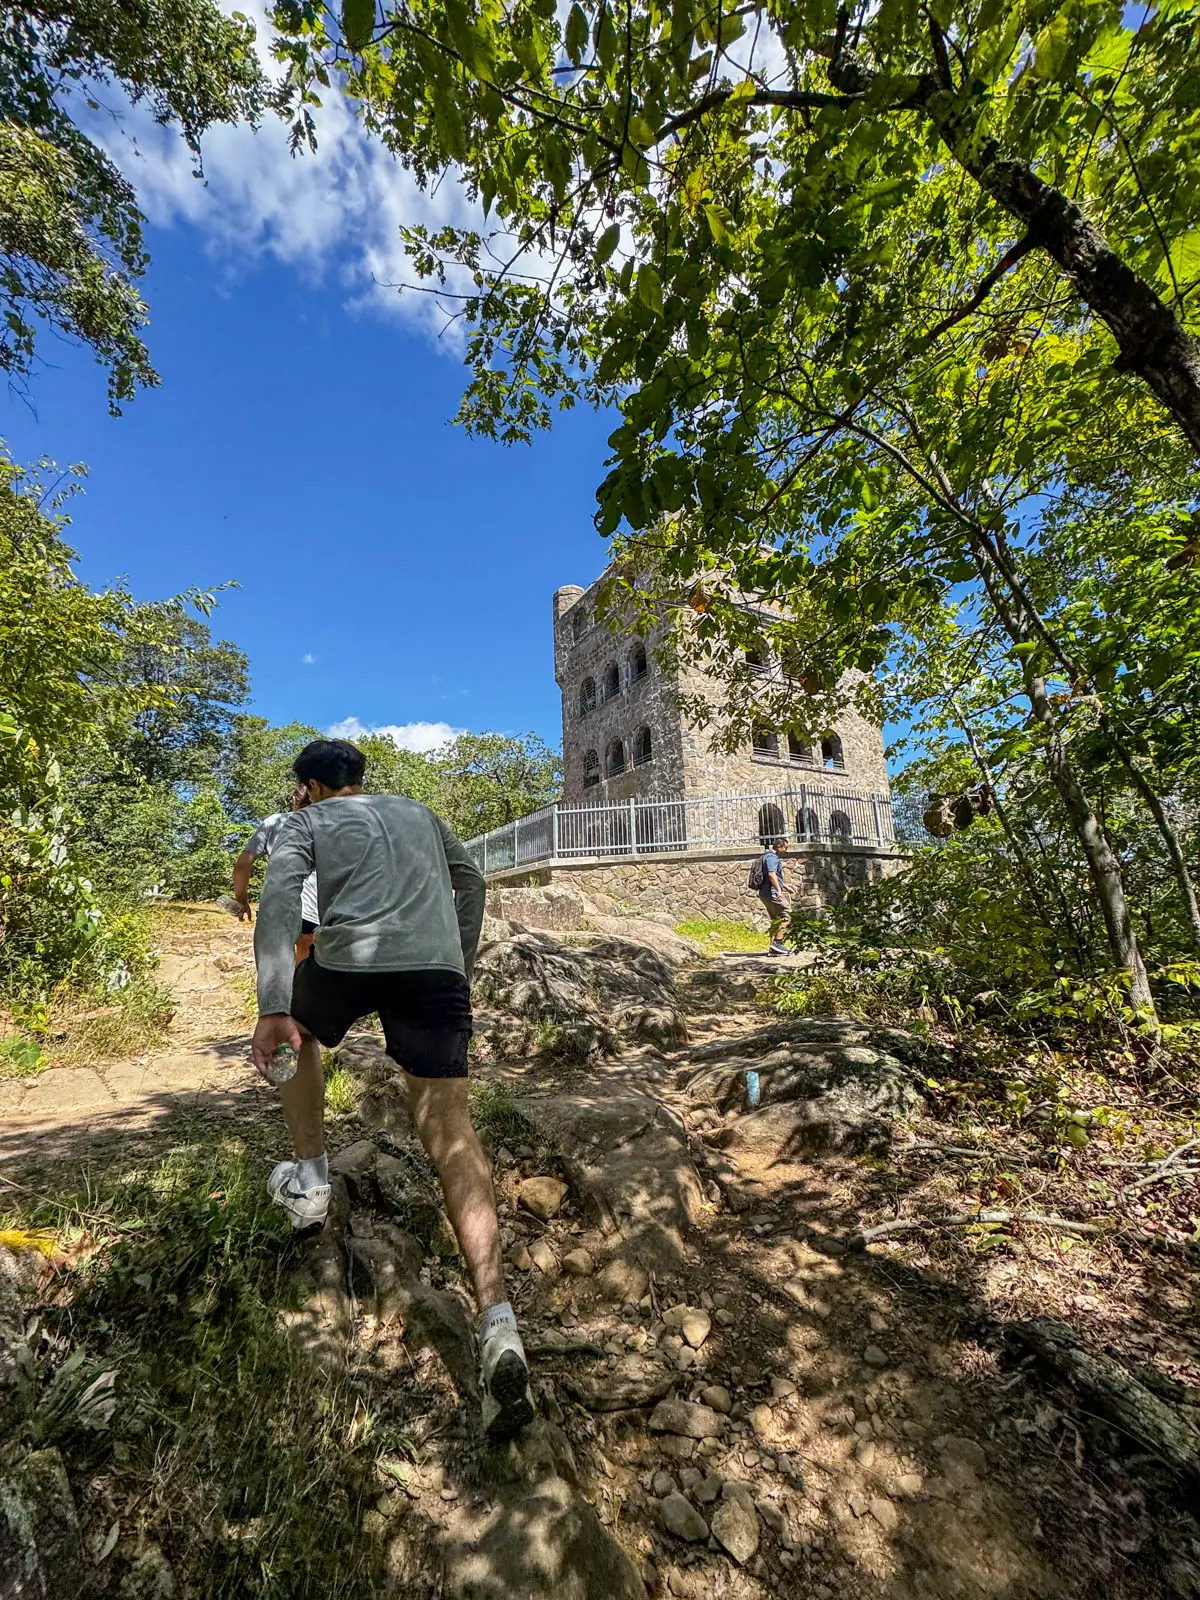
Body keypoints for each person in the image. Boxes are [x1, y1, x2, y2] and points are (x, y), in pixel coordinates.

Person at [249, 738, 533, 1441]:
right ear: (362, 779)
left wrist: (272, 1002)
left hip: (348, 961)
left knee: (297, 1038)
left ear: (310, 786)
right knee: (452, 1133)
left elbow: (281, 898)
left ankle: (311, 1181)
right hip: (433, 967)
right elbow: (470, 879)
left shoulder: (303, 822)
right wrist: (457, 958)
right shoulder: (417, 811)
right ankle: (498, 1321)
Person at [231, 785, 321, 963]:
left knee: (272, 975)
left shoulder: (274, 822)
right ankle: (297, 988)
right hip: (312, 908)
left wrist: (241, 898)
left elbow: (243, 864)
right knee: (304, 959)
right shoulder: (328, 826)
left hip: (275, 906)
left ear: (295, 800)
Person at [759, 835, 791, 956]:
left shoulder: (766, 856)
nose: (786, 851)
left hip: (765, 894)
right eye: (785, 848)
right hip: (772, 894)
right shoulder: (772, 858)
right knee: (787, 916)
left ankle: (773, 949)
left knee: (776, 920)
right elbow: (771, 874)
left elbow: (773, 877)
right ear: (779, 847)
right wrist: (778, 890)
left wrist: (784, 886)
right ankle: (778, 943)